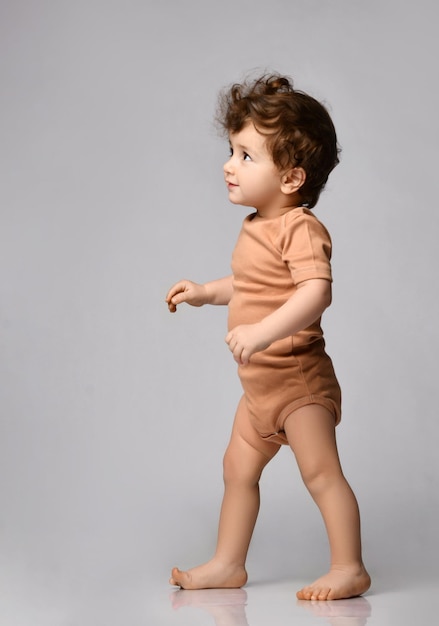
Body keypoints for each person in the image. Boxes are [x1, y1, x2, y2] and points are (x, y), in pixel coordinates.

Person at [165, 73, 371, 601]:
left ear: (291, 178)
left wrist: (259, 332)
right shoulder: (257, 224)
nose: (228, 165)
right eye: (231, 151)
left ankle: (349, 567)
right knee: (236, 469)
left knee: (321, 473)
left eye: (246, 156)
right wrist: (207, 291)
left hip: (298, 384)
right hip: (260, 390)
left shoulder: (301, 228)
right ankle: (228, 563)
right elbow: (253, 284)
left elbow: (314, 292)